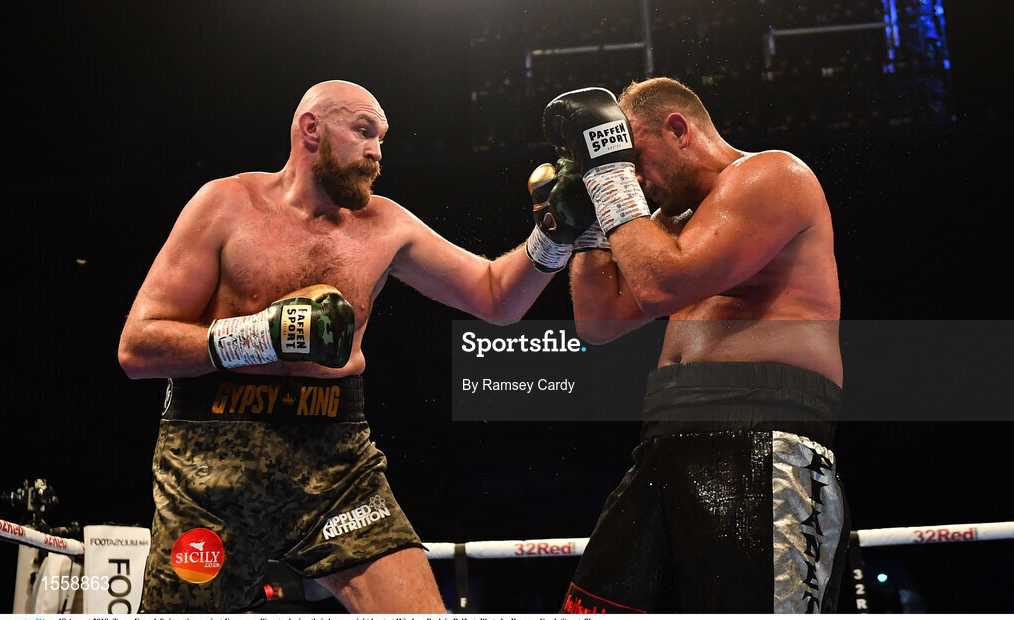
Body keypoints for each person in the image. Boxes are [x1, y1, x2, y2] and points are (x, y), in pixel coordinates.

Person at [117, 80, 583, 612]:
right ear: (310, 128)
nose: (377, 154)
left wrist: (554, 238)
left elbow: (496, 296)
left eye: (383, 140)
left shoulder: (385, 225)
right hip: (210, 460)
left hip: (336, 461)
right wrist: (260, 336)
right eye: (364, 132)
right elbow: (137, 347)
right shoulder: (225, 205)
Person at [542, 79, 848, 612]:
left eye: (631, 155)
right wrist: (588, 227)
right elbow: (599, 322)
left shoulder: (771, 174)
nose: (631, 177)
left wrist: (608, 175)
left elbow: (665, 285)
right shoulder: (666, 227)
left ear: (678, 129)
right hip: (665, 441)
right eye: (618, 162)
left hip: (763, 440)